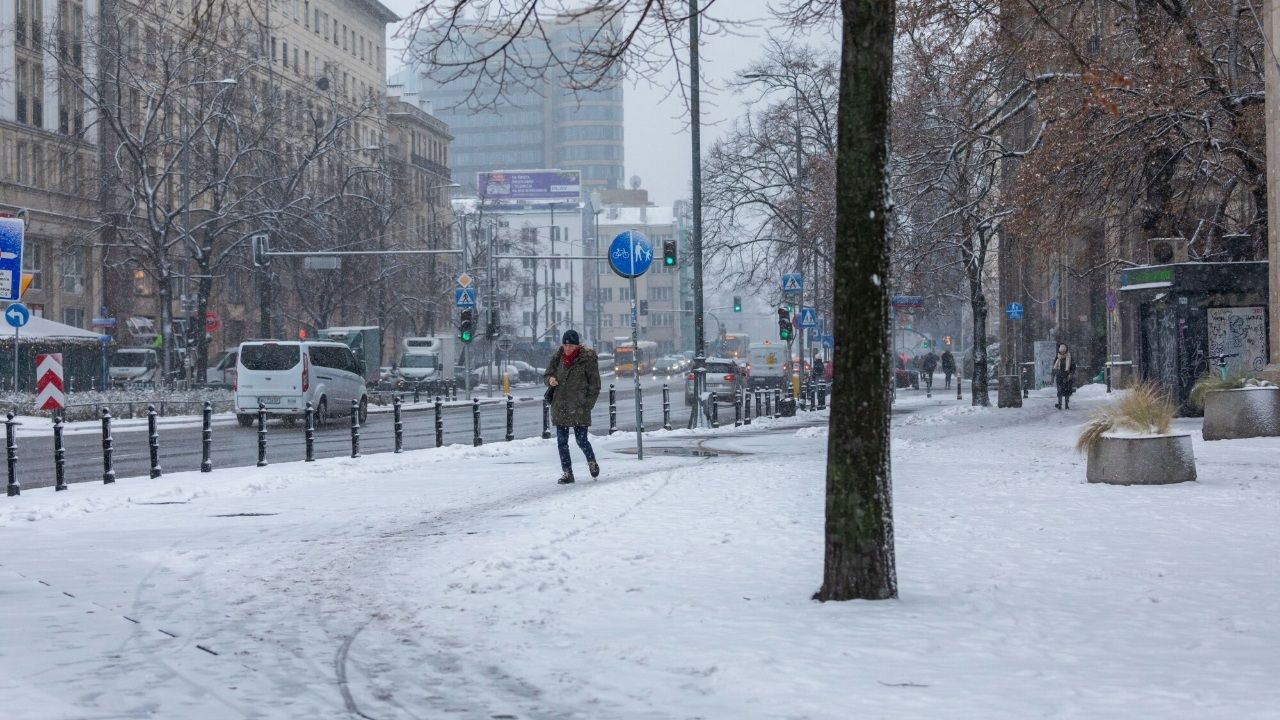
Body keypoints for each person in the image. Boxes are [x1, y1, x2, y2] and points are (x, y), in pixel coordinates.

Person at [544, 330, 602, 484]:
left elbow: (595, 385)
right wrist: (550, 380)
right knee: (561, 442)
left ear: (577, 345)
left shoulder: (587, 359)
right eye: (565, 345)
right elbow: (547, 374)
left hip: (579, 406)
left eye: (571, 345)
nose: (567, 348)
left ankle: (592, 462)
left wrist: (587, 405)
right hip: (560, 405)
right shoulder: (558, 357)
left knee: (581, 440)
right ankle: (567, 473)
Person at [1052, 343, 1074, 410]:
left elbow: (1073, 367)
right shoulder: (1057, 357)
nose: (1062, 352)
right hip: (1059, 376)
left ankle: (1066, 404)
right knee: (1060, 390)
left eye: (1064, 351)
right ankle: (1060, 404)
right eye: (1061, 351)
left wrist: (1071, 373)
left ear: (1066, 350)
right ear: (1059, 351)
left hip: (1067, 376)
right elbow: (1054, 367)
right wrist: (1053, 375)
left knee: (1067, 390)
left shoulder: (1069, 357)